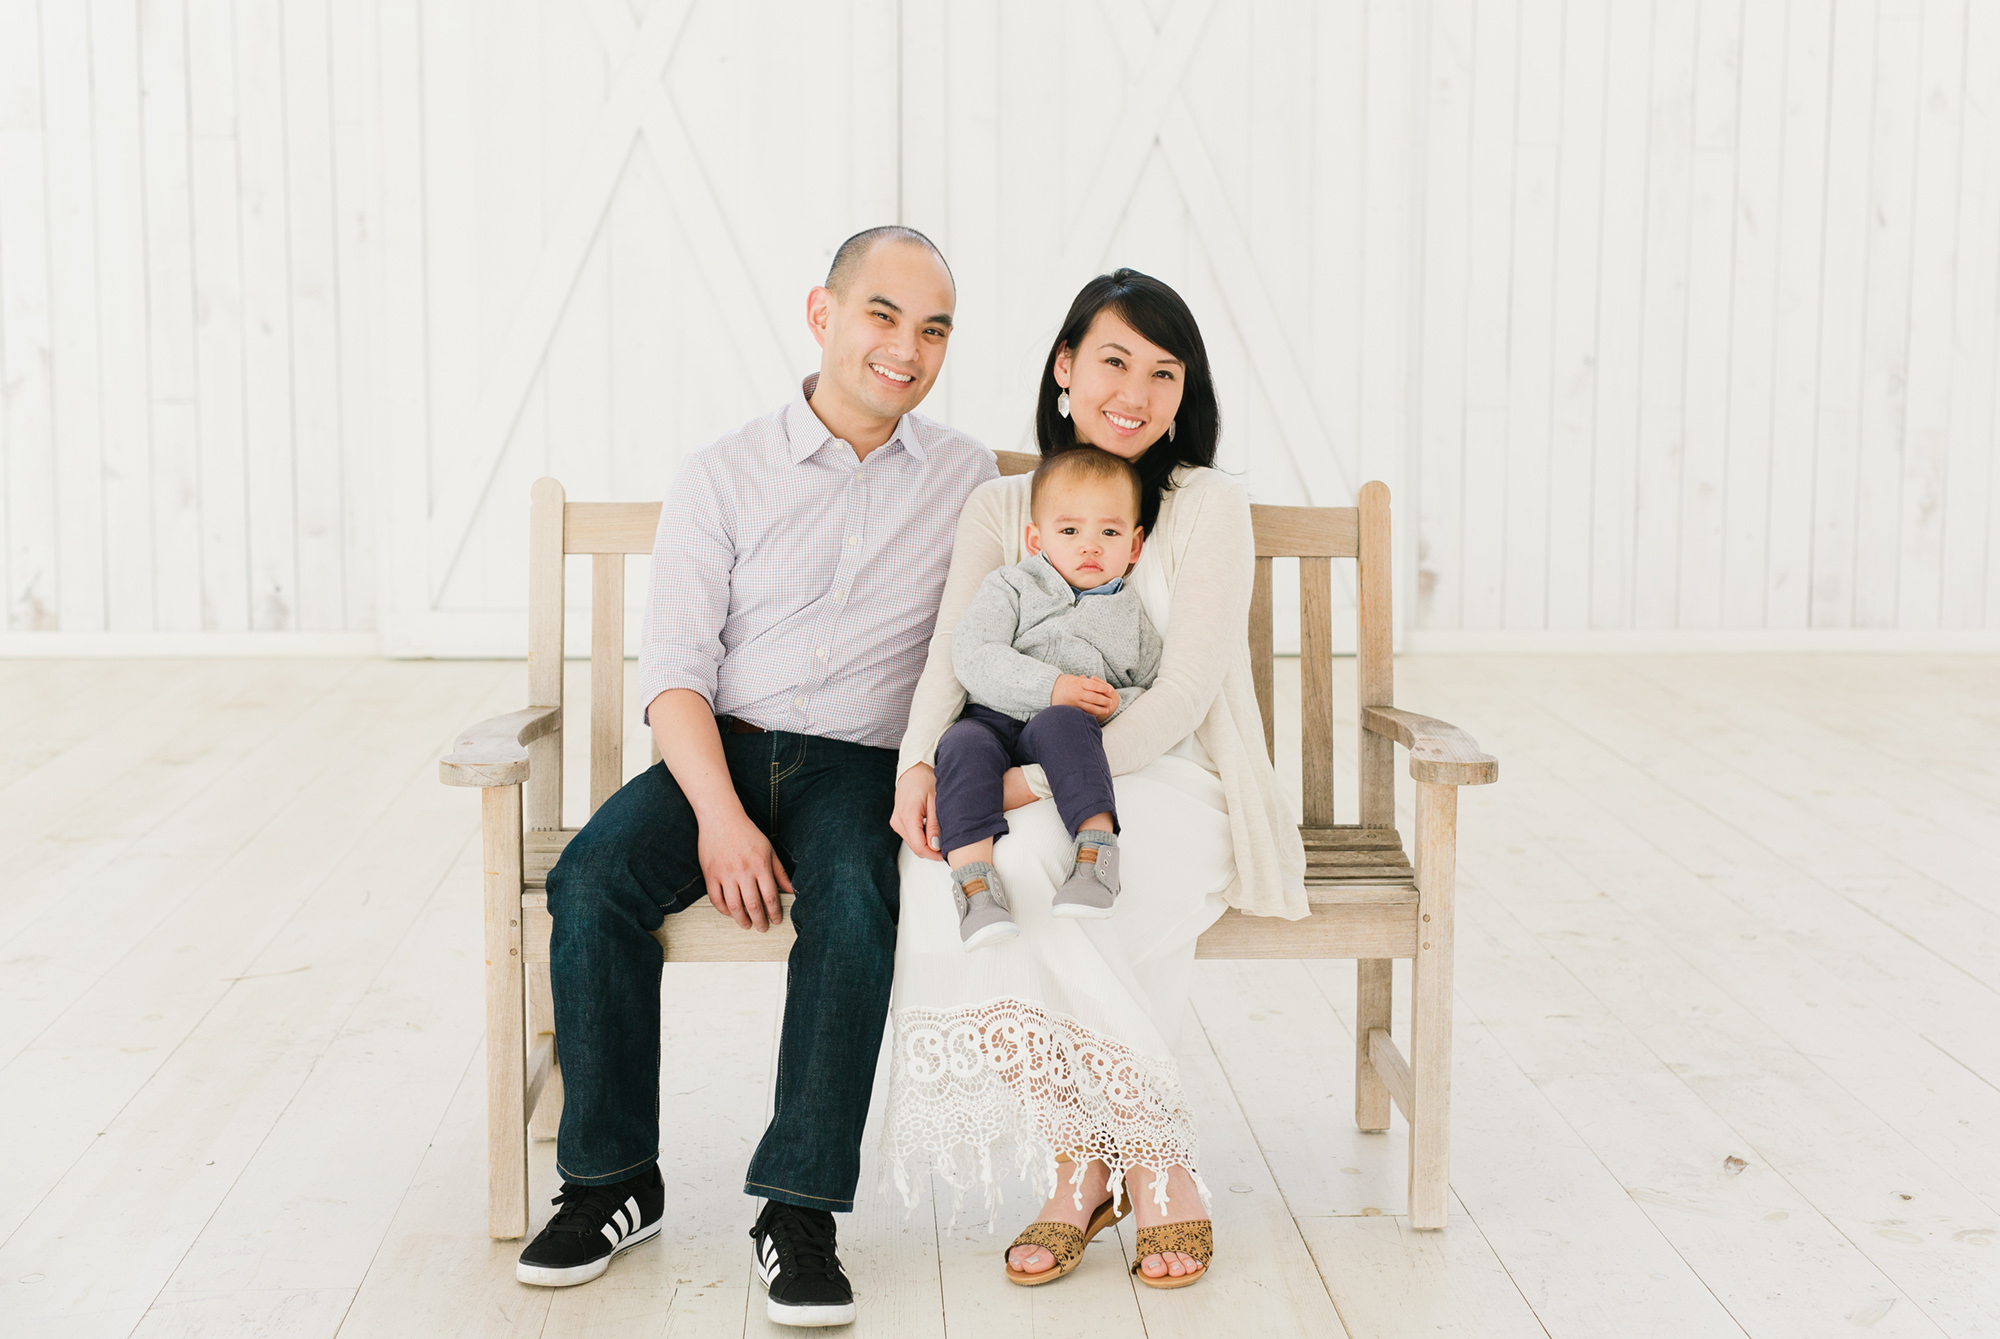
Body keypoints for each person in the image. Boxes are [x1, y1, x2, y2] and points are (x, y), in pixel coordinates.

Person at [517, 226, 996, 1328]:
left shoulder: (968, 479)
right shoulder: (723, 473)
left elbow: (1068, 535)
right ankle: (608, 1182)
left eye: (932, 330)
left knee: (854, 901)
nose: (906, 348)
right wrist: (721, 821)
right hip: (717, 748)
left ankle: (798, 1209)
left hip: (862, 766)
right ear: (822, 314)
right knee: (591, 884)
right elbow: (675, 677)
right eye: (881, 314)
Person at [883, 269, 1308, 1291]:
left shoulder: (1204, 505)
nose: (1137, 391)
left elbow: (1187, 691)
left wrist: (1033, 778)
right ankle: (1092, 1157)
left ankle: (1129, 1165)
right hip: (1035, 772)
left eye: (1165, 372)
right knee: (956, 869)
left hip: (1176, 777)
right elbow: (957, 651)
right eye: (1114, 360)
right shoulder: (1002, 504)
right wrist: (914, 765)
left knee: (1068, 866)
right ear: (1065, 366)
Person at [935, 446, 1162, 949]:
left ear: (1135, 544)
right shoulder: (1012, 586)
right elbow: (972, 652)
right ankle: (975, 888)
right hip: (992, 717)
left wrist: (1114, 703)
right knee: (959, 747)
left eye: (1109, 532)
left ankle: (1096, 857)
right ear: (1036, 540)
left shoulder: (1134, 618)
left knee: (1066, 721)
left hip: (1064, 732)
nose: (1090, 547)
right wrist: (1050, 685)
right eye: (1069, 531)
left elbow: (1149, 686)